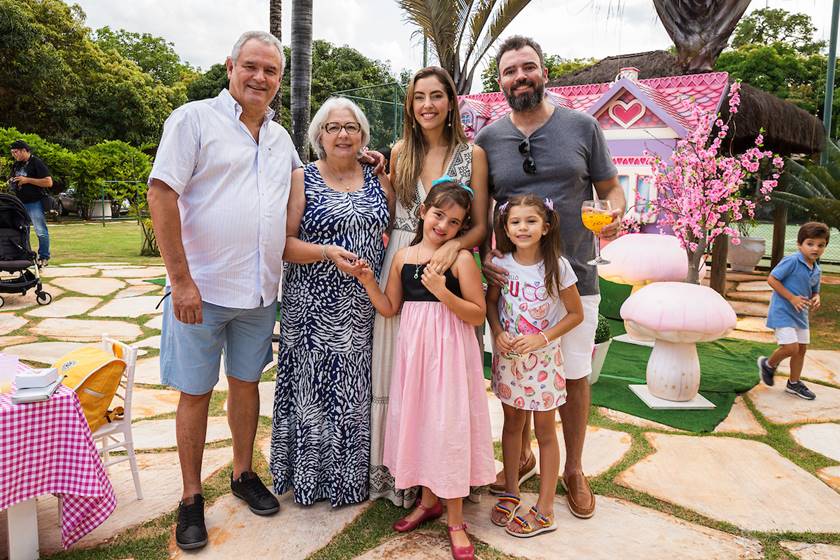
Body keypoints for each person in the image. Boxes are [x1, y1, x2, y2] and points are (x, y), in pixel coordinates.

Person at [147, 30, 295, 551]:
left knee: (246, 384)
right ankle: (190, 499)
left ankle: (241, 473)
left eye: (270, 71)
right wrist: (181, 280)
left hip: (258, 293)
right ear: (230, 67)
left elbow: (312, 178)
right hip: (200, 293)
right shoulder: (193, 119)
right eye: (251, 66)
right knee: (194, 392)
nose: (260, 77)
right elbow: (161, 193)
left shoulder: (282, 139)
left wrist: (369, 157)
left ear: (280, 79)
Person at [475, 35, 625, 519]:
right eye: (510, 71)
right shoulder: (488, 139)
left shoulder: (582, 127)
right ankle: (519, 458)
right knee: (515, 370)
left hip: (574, 275)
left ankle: (574, 470)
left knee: (575, 376)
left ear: (544, 73)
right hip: (513, 285)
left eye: (528, 67)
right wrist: (486, 269)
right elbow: (481, 213)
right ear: (499, 82)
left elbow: (611, 190)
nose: (520, 76)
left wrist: (616, 213)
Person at [355, 180, 495, 560]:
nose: (443, 225)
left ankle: (454, 518)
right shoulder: (402, 258)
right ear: (422, 212)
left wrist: (443, 291)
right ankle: (428, 500)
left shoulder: (461, 260)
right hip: (415, 357)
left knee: (447, 426)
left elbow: (477, 313)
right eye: (438, 214)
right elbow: (389, 308)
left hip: (450, 356)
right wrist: (369, 280)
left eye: (454, 222)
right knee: (421, 423)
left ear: (461, 228)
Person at [370, 66, 489, 508]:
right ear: (409, 104)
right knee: (398, 368)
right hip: (403, 257)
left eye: (437, 96)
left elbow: (479, 224)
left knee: (446, 380)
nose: (427, 105)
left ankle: (451, 476)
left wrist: (452, 245)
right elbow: (388, 207)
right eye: (419, 97)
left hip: (449, 263)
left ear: (451, 103)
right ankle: (403, 476)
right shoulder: (400, 151)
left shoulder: (471, 154)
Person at [270, 97, 393, 508]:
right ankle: (307, 479)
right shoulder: (303, 177)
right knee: (311, 395)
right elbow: (284, 245)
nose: (343, 134)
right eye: (333, 127)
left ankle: (348, 481)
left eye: (351, 127)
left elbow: (395, 226)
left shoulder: (378, 176)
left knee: (354, 393)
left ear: (363, 136)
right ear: (319, 135)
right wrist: (326, 252)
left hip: (361, 306)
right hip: (311, 307)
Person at [487, 194, 583, 537]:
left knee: (544, 431)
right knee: (512, 424)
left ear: (546, 226)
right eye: (515, 222)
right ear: (506, 228)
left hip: (543, 365)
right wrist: (497, 333)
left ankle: (545, 507)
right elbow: (493, 305)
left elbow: (576, 314)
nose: (523, 228)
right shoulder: (502, 266)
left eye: (530, 221)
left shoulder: (558, 266)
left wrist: (541, 339)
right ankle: (511, 491)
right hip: (509, 362)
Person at [758, 222, 829, 400]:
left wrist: (817, 297)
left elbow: (815, 290)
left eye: (821, 245)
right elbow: (772, 279)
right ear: (799, 244)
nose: (816, 248)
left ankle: (794, 383)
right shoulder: (792, 261)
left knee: (801, 350)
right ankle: (768, 364)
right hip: (783, 312)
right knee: (791, 347)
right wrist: (791, 298)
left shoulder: (816, 269)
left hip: (801, 316)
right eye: (810, 243)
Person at [9, 140, 52, 267]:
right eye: (12, 153)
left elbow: (49, 182)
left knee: (40, 230)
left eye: (15, 152)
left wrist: (27, 180)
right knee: (21, 230)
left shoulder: (36, 162)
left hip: (35, 202)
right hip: (20, 203)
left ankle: (44, 257)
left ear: (24, 150)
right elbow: (14, 178)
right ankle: (24, 255)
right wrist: (12, 181)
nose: (14, 155)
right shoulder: (16, 165)